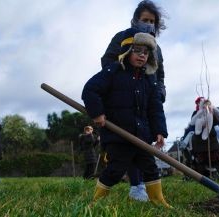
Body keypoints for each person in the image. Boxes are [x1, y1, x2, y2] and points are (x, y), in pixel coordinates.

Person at [82, 29, 171, 208]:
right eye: (137, 51)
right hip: (118, 136)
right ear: (127, 51)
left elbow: (155, 107)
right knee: (115, 170)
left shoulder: (148, 79)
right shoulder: (113, 71)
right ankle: (96, 202)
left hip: (141, 136)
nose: (142, 56)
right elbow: (90, 90)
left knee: (150, 169)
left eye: (146, 52)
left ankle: (158, 201)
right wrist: (97, 113)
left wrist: (160, 130)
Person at [101, 0, 167, 201]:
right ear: (136, 19)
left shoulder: (156, 48)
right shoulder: (122, 38)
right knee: (128, 140)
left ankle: (145, 186)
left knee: (143, 142)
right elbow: (107, 61)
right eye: (144, 19)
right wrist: (122, 76)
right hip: (124, 97)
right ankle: (136, 186)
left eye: (152, 21)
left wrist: (160, 89)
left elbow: (160, 73)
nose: (148, 23)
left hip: (147, 97)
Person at [190, 97, 219, 180]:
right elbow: (193, 124)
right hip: (200, 142)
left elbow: (216, 122)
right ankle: (203, 178)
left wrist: (211, 113)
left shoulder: (211, 111)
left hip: (212, 141)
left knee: (216, 160)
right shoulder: (196, 113)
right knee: (202, 161)